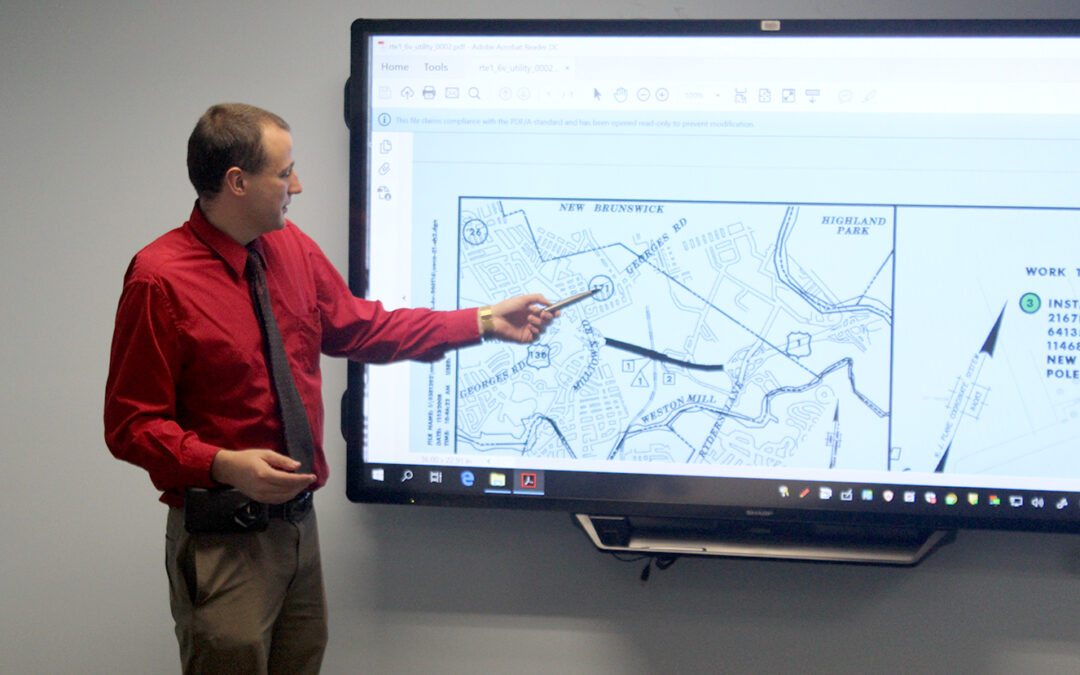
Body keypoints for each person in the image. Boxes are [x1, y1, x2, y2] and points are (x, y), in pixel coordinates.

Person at [104, 103, 555, 674]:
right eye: (284, 172)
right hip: (223, 540)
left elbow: (364, 328)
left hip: (298, 527)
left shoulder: (291, 248)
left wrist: (485, 321)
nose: (297, 185)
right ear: (237, 182)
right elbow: (131, 426)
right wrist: (224, 464)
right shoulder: (159, 280)